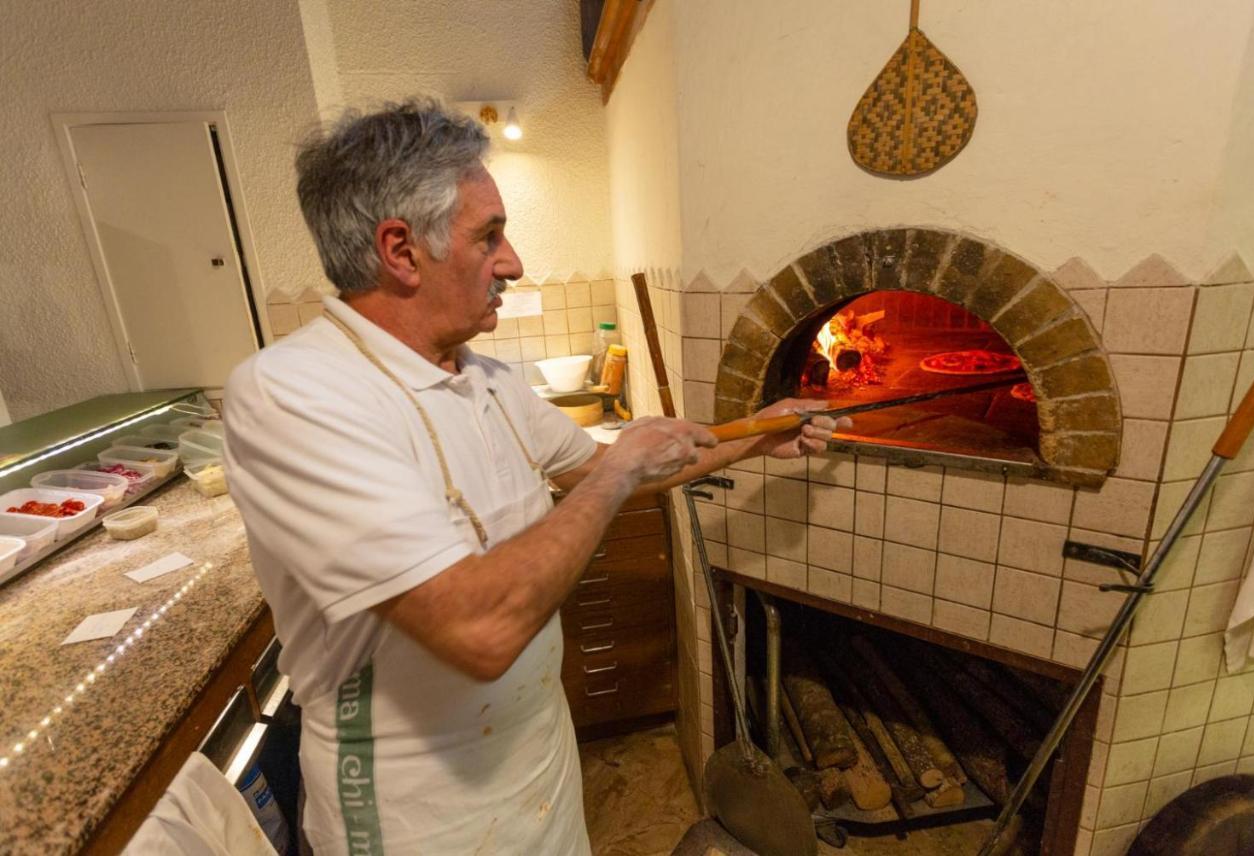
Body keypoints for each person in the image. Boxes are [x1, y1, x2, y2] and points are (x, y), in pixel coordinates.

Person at [222, 99, 849, 855]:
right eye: (489, 236)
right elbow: (480, 629)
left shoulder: (481, 378)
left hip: (539, 766)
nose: (513, 261)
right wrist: (615, 473)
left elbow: (608, 464)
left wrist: (757, 437)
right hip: (417, 815)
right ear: (400, 250)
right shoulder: (297, 394)